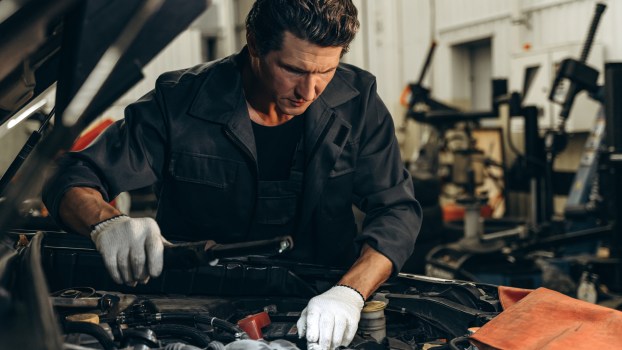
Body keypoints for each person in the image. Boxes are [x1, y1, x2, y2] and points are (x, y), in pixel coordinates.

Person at [42, 0, 422, 349]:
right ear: (254, 44)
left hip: (319, 302)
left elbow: (397, 211)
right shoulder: (179, 102)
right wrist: (107, 222)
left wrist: (350, 293)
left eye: (326, 70)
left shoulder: (359, 102)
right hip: (193, 304)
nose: (309, 90)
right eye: (293, 69)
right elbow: (71, 176)